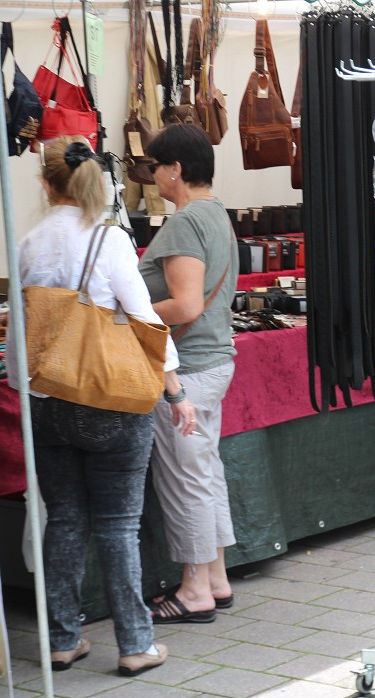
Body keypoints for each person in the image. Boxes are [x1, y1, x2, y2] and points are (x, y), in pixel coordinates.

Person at [10, 136, 193, 676]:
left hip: (46, 398)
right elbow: (146, 320)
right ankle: (135, 645)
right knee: (117, 523)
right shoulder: (109, 240)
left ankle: (63, 639)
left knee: (63, 518)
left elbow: (22, 331)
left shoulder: (28, 244)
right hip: (110, 399)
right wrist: (175, 390)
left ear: (46, 185)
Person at [139, 124, 239, 623]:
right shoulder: (216, 213)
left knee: (186, 481)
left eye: (152, 165)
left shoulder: (184, 223)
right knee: (204, 474)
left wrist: (125, 312)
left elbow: (185, 304)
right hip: (212, 362)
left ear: (175, 169)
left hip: (190, 368)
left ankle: (195, 589)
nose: (150, 174)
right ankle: (216, 580)